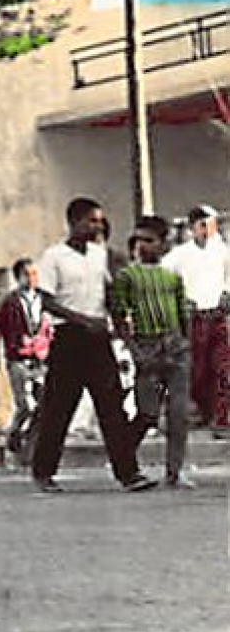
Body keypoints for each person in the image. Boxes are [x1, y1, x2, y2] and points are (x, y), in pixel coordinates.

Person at [31, 197, 156, 494]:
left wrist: (126, 338)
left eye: (99, 220)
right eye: (92, 220)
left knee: (112, 406)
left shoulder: (100, 256)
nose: (98, 226)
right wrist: (84, 320)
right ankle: (43, 471)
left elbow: (110, 299)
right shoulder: (54, 257)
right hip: (69, 338)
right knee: (59, 407)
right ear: (74, 222)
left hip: (98, 340)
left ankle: (128, 473)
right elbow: (47, 301)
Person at [114, 217, 193, 488]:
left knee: (178, 413)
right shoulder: (126, 276)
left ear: (163, 243)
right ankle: (123, 459)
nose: (142, 246)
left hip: (175, 346)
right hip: (146, 345)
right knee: (147, 413)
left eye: (149, 240)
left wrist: (184, 344)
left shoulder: (172, 276)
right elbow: (119, 316)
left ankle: (175, 471)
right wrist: (134, 349)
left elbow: (183, 314)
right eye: (138, 240)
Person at [161, 204, 229, 432]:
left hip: (218, 315)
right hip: (193, 318)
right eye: (202, 224)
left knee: (221, 366)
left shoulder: (222, 252)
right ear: (193, 226)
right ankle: (199, 412)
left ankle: (221, 418)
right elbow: (164, 280)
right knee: (196, 368)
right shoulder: (180, 255)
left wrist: (226, 295)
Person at [0, 257, 53, 467]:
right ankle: (13, 438)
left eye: (34, 274)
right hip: (18, 358)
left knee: (43, 406)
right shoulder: (10, 302)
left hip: (40, 358)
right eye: (27, 275)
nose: (32, 279)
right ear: (18, 277)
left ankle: (31, 450)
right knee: (25, 406)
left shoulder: (45, 299)